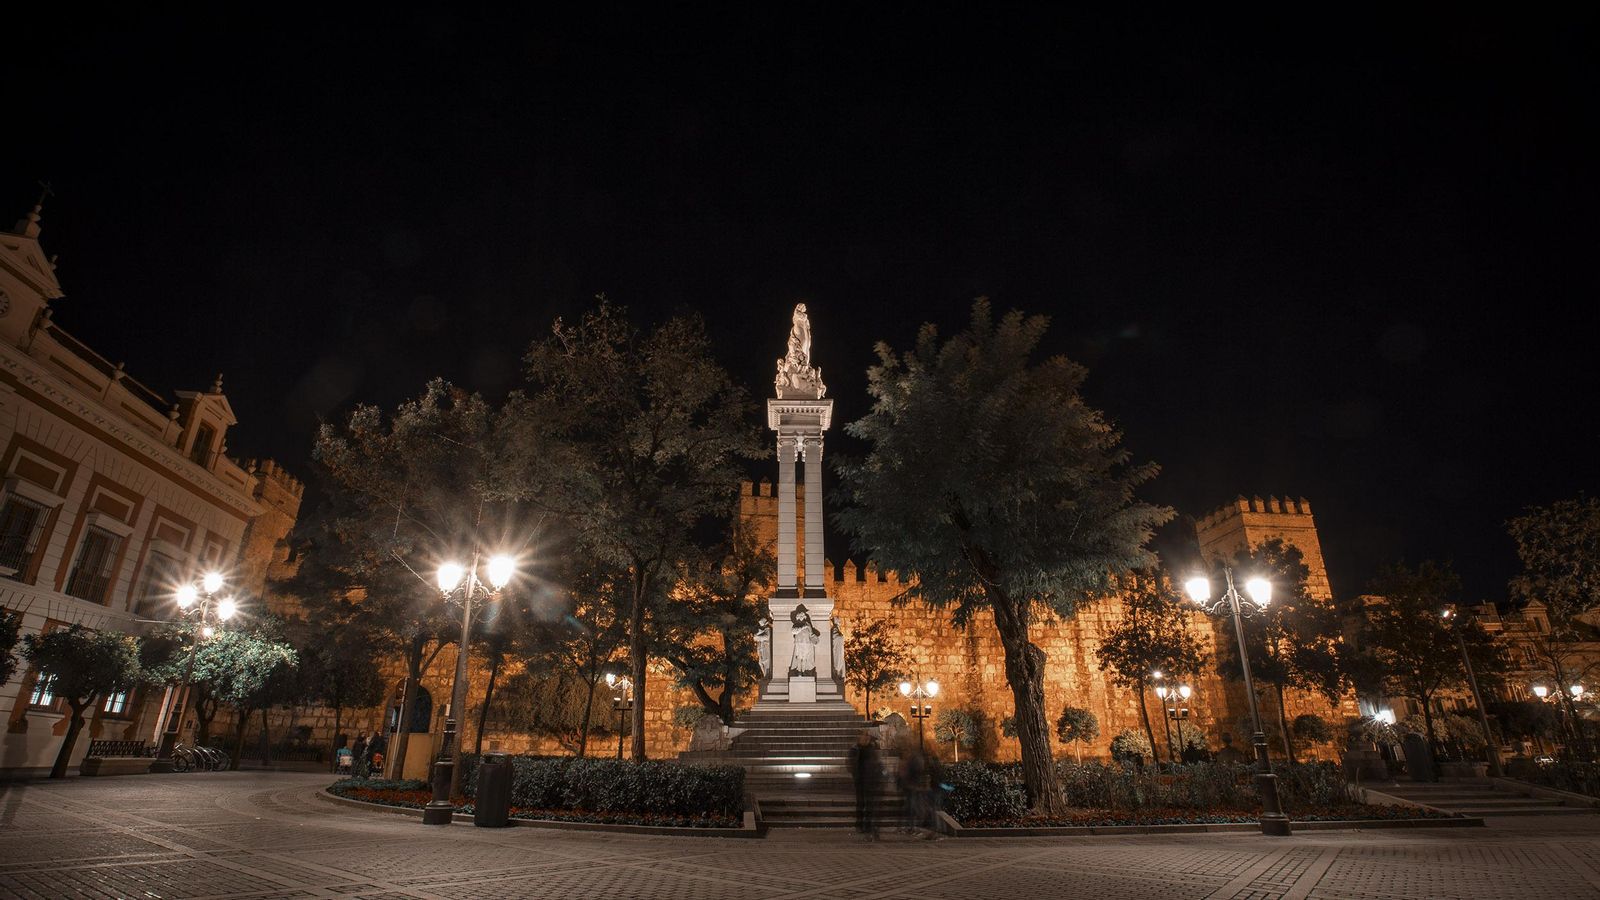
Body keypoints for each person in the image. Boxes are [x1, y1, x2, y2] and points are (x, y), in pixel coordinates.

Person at [849, 731, 881, 839]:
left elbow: (876, 763)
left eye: (867, 736)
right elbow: (852, 764)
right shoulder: (855, 749)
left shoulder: (871, 749)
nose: (866, 738)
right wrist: (856, 775)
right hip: (860, 780)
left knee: (869, 804)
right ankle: (860, 824)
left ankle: (867, 825)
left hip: (870, 780)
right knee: (861, 803)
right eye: (864, 736)